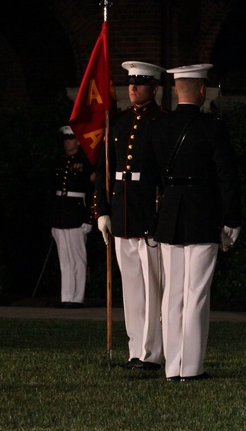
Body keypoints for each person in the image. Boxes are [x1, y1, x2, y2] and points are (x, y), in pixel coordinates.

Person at [146, 63, 241, 380]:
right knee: (196, 292)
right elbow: (227, 176)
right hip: (202, 211)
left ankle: (173, 366)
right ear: (201, 90)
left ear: (176, 90)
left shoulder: (159, 127)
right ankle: (192, 366)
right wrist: (232, 217)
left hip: (171, 212)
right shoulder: (212, 127)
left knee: (172, 294)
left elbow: (152, 178)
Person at [95, 61, 167, 370]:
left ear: (154, 88)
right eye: (131, 82)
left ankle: (152, 352)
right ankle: (135, 349)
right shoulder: (119, 122)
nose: (133, 87)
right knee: (132, 288)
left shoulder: (162, 122)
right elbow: (104, 170)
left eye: (140, 82)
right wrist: (102, 210)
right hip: (122, 212)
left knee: (152, 289)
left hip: (147, 213)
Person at [51, 126, 96, 308]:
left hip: (77, 214)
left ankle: (77, 297)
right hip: (61, 215)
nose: (67, 142)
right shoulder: (59, 161)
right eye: (65, 138)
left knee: (78, 258)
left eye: (70, 138)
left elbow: (91, 191)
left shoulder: (85, 163)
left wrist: (89, 218)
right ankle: (66, 296)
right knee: (65, 259)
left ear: (78, 141)